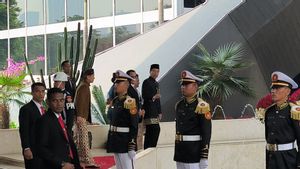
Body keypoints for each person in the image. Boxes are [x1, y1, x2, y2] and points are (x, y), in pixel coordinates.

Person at [174, 70, 211, 169]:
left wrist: (204, 156)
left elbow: (206, 132)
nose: (183, 87)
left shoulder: (201, 106)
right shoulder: (179, 105)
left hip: (193, 153)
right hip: (180, 152)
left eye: (186, 84)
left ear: (195, 86)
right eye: (182, 84)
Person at [36, 88, 82, 169]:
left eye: (61, 100)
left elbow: (67, 142)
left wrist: (76, 162)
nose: (59, 104)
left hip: (69, 161)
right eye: (55, 101)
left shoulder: (60, 118)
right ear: (48, 102)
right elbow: (41, 148)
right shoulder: (44, 121)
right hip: (56, 165)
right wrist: (62, 163)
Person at [263, 71, 300, 169]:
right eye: (272, 88)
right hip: (271, 158)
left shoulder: (293, 111)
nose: (273, 91)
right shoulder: (269, 112)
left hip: (288, 159)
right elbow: (268, 138)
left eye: (277, 88)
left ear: (288, 91)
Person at [106, 70, 139, 169]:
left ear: (126, 85)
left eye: (118, 82)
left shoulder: (130, 101)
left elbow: (134, 124)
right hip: (116, 141)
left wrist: (132, 144)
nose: (116, 85)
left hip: (125, 142)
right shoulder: (115, 101)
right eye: (115, 82)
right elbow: (110, 118)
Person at [74, 69, 98, 168]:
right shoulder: (84, 87)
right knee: (84, 139)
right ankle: (88, 160)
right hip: (81, 117)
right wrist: (80, 116)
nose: (94, 77)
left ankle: (81, 158)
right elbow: (80, 102)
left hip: (82, 116)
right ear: (88, 76)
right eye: (93, 76)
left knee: (81, 139)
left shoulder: (84, 85)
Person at [19, 82, 46, 169]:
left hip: (44, 149)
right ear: (32, 93)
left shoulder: (45, 108)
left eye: (43, 91)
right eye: (37, 91)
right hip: (32, 149)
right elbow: (24, 130)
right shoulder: (26, 109)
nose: (41, 94)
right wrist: (26, 148)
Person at [142, 64, 162, 149]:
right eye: (154, 71)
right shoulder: (146, 82)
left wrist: (160, 111)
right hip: (149, 110)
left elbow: (158, 100)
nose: (155, 73)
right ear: (150, 71)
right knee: (152, 130)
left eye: (157, 71)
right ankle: (148, 149)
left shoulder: (156, 83)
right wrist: (153, 97)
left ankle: (152, 148)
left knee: (155, 130)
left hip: (155, 111)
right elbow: (144, 95)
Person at [126, 70, 145, 150]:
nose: (134, 78)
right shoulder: (128, 90)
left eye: (135, 76)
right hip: (131, 122)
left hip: (134, 120)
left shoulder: (133, 90)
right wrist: (138, 114)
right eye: (132, 77)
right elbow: (131, 109)